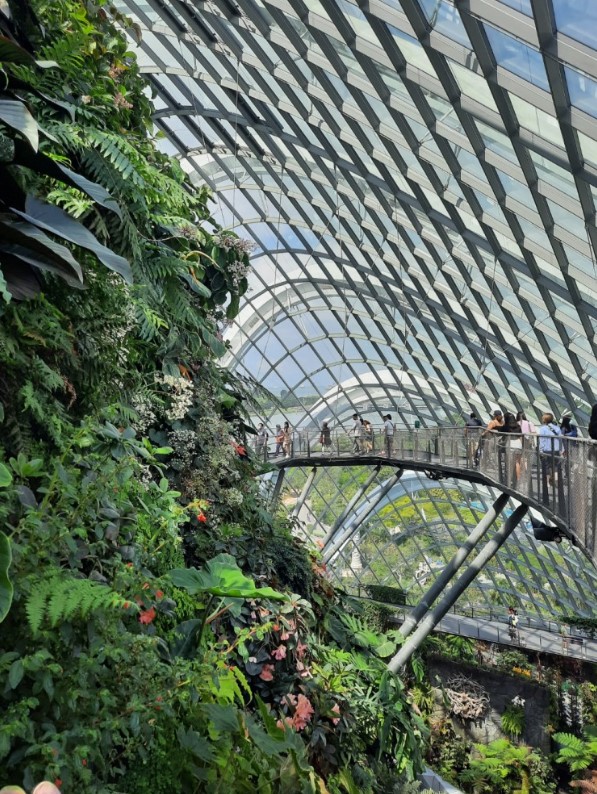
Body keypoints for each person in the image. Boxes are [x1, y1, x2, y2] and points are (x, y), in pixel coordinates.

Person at [538, 413, 563, 507]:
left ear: (544, 420)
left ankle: (548, 483)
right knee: (555, 466)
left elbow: (542, 440)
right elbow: (560, 439)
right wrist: (561, 450)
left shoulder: (543, 428)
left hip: (547, 450)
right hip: (556, 450)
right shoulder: (557, 428)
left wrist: (541, 450)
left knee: (547, 466)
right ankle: (556, 481)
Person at [497, 412, 523, 483]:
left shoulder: (506, 427)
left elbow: (500, 432)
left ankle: (509, 479)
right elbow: (520, 436)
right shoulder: (518, 426)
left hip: (510, 444)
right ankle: (518, 480)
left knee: (510, 463)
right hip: (518, 444)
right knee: (517, 463)